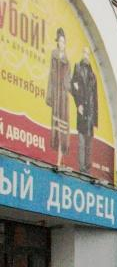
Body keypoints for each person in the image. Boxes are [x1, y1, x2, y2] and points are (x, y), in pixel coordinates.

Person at [45, 28, 72, 169]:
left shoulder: (68, 61)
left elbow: (68, 81)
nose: (62, 44)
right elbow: (51, 74)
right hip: (56, 95)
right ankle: (56, 160)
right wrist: (49, 95)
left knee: (63, 128)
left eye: (64, 41)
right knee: (56, 127)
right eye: (60, 41)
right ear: (58, 43)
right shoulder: (54, 55)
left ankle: (60, 160)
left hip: (64, 98)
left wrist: (72, 89)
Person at [70, 46, 99, 175]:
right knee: (82, 138)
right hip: (82, 108)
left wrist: (95, 116)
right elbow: (73, 85)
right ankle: (81, 167)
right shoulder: (77, 67)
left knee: (89, 141)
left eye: (88, 53)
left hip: (91, 111)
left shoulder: (93, 75)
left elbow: (95, 96)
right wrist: (79, 103)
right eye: (84, 53)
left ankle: (87, 168)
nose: (86, 56)